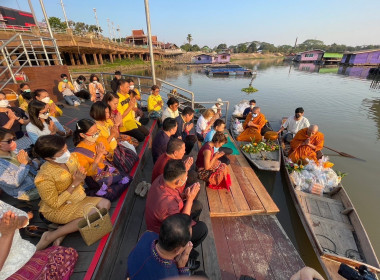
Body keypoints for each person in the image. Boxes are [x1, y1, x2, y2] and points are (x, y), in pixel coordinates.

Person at [33, 135, 111, 250]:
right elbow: (54, 204)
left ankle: (62, 231)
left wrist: (82, 175)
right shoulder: (43, 177)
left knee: (106, 204)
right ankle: (50, 236)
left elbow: (84, 175)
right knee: (93, 213)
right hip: (58, 209)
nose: (66, 153)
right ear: (49, 158)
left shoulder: (71, 158)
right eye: (61, 153)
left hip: (78, 198)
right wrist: (74, 183)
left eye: (65, 149)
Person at [0, 201, 78, 279]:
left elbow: (24, 217)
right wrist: (7, 234)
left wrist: (16, 222)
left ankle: (47, 239)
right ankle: (47, 239)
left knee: (65, 255)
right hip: (8, 273)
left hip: (26, 255)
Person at [145, 159, 208, 250]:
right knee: (202, 229)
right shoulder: (168, 204)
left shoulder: (162, 178)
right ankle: (184, 250)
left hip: (169, 218)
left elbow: (174, 193)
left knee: (197, 205)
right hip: (165, 235)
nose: (186, 179)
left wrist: (184, 195)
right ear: (178, 182)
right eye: (185, 177)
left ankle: (191, 230)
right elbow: (181, 223)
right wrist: (189, 199)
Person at [73, 119, 129, 201]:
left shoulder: (100, 139)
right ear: (82, 135)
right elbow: (88, 173)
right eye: (93, 133)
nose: (96, 134)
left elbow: (111, 155)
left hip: (108, 170)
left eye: (97, 131)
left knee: (127, 179)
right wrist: (99, 156)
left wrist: (105, 153)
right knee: (112, 192)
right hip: (95, 178)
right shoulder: (78, 152)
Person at [127, 214, 194, 279]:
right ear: (177, 250)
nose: (189, 244)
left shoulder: (148, 235)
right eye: (188, 242)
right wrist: (182, 268)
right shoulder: (170, 275)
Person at [90, 101, 138, 175]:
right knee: (126, 167)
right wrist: (112, 134)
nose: (108, 114)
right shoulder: (95, 128)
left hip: (116, 146)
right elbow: (102, 146)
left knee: (134, 156)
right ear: (99, 113)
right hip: (109, 151)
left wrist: (117, 125)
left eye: (108, 112)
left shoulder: (108, 121)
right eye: (105, 113)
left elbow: (116, 136)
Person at [0, 127, 39, 201]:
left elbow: (31, 167)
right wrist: (24, 164)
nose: (13, 142)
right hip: (25, 192)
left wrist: (30, 162)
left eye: (14, 139)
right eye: (9, 141)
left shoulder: (14, 151)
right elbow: (14, 183)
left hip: (35, 180)